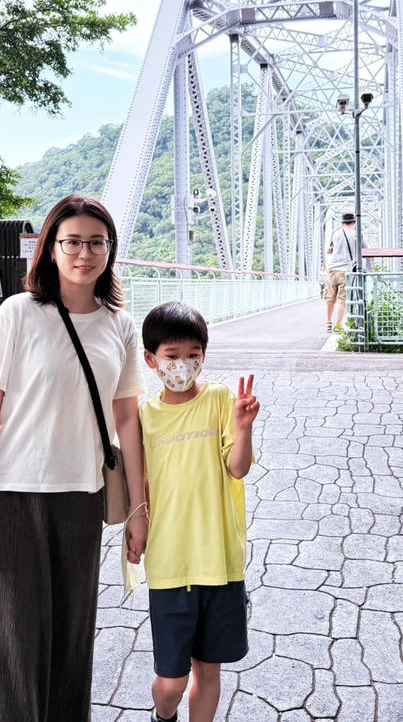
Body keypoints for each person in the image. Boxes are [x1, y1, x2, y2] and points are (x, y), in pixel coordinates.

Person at [0, 195, 149, 721]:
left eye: (96, 242)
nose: (84, 253)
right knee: (9, 650)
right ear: (51, 248)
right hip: (12, 500)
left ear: (110, 250)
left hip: (81, 502)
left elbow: (128, 421)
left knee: (69, 648)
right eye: (72, 242)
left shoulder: (120, 326)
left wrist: (139, 511)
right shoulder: (19, 313)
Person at [139, 301, 258, 722]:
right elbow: (142, 488)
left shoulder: (222, 399)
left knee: (209, 671)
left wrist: (244, 428)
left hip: (220, 562)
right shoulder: (144, 417)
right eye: (172, 356)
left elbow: (237, 468)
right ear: (152, 360)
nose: (183, 364)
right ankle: (163, 716)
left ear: (204, 356)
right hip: (170, 562)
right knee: (170, 682)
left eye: (193, 354)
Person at [323, 211, 362, 332]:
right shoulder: (357, 235)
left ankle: (328, 323)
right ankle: (337, 326)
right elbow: (366, 249)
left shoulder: (336, 233)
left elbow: (329, 251)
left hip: (332, 270)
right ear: (354, 223)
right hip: (345, 271)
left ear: (342, 223)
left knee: (330, 298)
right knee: (342, 300)